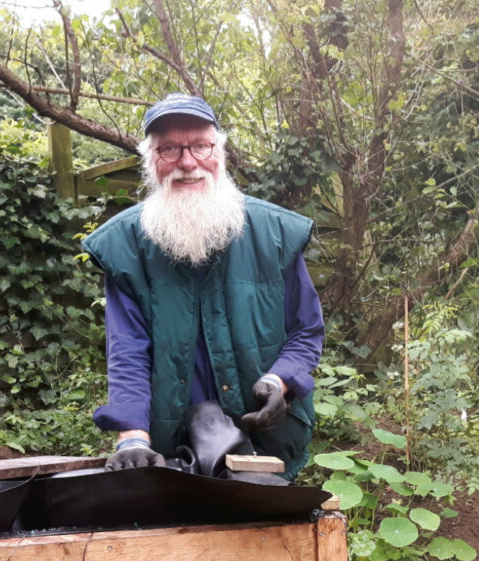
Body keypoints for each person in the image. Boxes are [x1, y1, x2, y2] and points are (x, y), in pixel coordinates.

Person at [82, 93, 324, 479]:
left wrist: (280, 380)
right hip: (171, 445)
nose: (187, 162)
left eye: (199, 146)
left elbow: (306, 330)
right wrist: (132, 438)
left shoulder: (275, 234)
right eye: (170, 149)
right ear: (151, 161)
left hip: (265, 443)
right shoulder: (126, 246)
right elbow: (127, 350)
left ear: (219, 151)